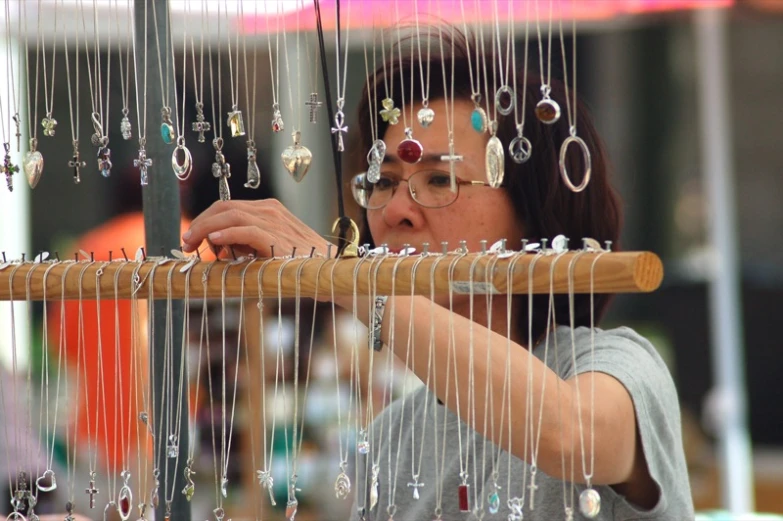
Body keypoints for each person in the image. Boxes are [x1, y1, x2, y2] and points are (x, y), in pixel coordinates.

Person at [181, 29, 694, 521]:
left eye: (439, 179)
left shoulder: (618, 367)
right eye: (382, 182)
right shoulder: (392, 435)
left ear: (532, 214)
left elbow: (568, 435)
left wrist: (346, 279)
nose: (396, 211)